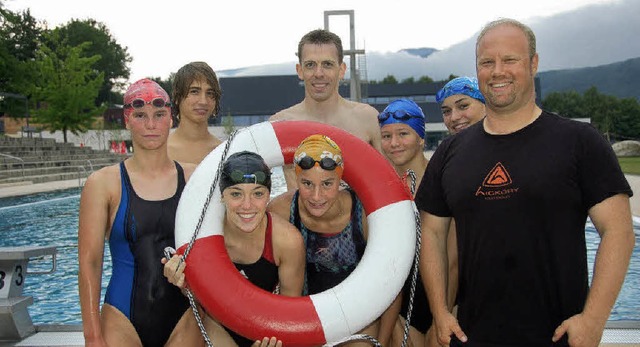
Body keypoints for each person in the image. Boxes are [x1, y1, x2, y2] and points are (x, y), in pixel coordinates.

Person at [416, 18, 635, 347]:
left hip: (556, 336)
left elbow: (618, 230)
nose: (497, 71)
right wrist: (440, 311)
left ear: (533, 63)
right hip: (472, 335)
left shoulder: (579, 142)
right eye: (487, 62)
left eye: (510, 60)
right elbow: (432, 232)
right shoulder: (451, 151)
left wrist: (594, 319)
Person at [78, 78, 199, 346]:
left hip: (184, 317)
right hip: (122, 319)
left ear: (171, 119)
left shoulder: (195, 178)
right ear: (127, 120)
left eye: (159, 115)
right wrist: (92, 336)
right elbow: (90, 263)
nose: (151, 124)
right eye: (140, 115)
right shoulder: (103, 184)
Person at [164, 151, 305, 347]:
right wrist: (182, 281)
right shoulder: (203, 234)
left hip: (265, 331)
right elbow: (199, 301)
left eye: (257, 193)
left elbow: (290, 315)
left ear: (268, 195)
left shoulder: (287, 241)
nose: (247, 206)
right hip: (216, 324)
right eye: (236, 194)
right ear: (222, 196)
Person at [267, 134, 380, 345]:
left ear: (341, 179)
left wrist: (383, 339)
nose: (316, 196)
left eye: (327, 183)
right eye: (307, 183)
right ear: (296, 178)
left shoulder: (364, 213)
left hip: (358, 320)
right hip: (303, 321)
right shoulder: (280, 211)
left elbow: (389, 284)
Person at [269, 29, 381, 190]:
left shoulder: (367, 118)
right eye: (310, 65)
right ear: (299, 70)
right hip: (299, 214)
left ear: (341, 69)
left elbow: (392, 179)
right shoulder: (279, 124)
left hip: (358, 214)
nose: (319, 73)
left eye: (327, 64)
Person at [376, 99, 441, 347]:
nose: (394, 143)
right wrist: (391, 322)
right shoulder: (377, 190)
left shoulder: (442, 181)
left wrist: (442, 314)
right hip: (399, 306)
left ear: (421, 137)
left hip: (444, 296)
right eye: (386, 136)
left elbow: (453, 257)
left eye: (403, 134)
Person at [168, 61, 223, 164]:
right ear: (177, 97)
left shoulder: (224, 151)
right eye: (194, 91)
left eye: (210, 93)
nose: (203, 101)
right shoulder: (160, 151)